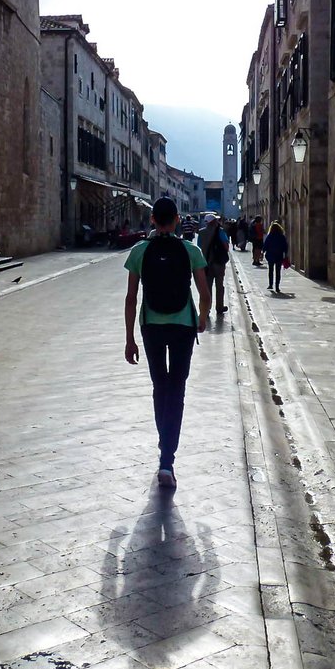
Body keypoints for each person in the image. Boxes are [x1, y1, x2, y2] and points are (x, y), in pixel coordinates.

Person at [124, 196, 209, 489]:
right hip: (183, 325)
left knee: (160, 387)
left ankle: (164, 448)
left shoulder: (139, 251)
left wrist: (129, 339)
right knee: (177, 390)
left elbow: (131, 298)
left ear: (152, 220)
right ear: (176, 220)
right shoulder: (191, 250)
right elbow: (203, 288)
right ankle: (167, 460)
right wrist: (204, 316)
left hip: (152, 326)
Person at [196, 212, 230, 314]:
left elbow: (199, 248)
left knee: (207, 287)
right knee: (219, 286)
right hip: (219, 263)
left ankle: (207, 309)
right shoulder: (220, 232)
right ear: (214, 222)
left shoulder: (201, 233)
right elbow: (226, 246)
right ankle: (219, 307)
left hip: (206, 263)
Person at [262, 221, 289, 291]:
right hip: (279, 255)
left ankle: (270, 285)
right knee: (278, 271)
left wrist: (263, 252)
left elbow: (265, 245)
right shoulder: (282, 236)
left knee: (271, 270)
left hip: (270, 255)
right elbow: (285, 246)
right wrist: (286, 254)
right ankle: (277, 286)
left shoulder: (269, 236)